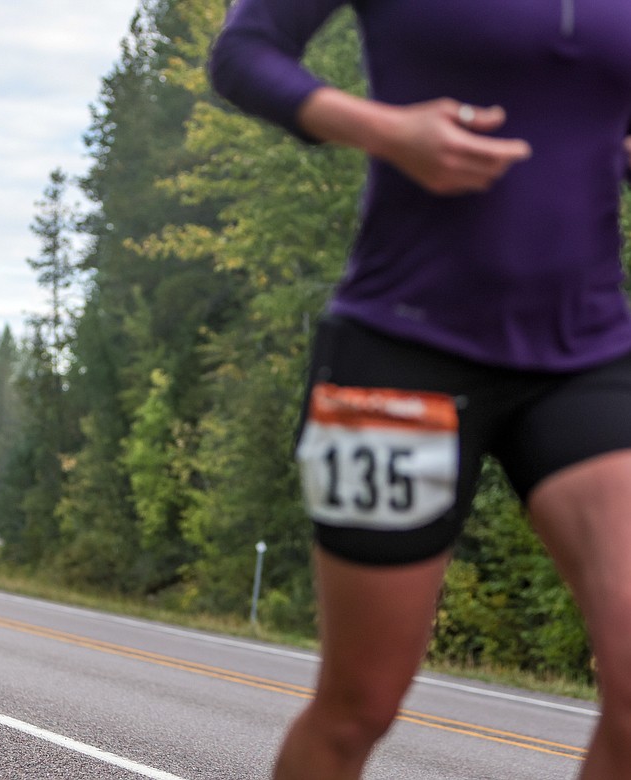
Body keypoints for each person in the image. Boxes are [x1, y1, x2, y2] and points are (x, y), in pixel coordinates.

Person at [209, 2, 631, 778]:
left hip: (586, 352)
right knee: (360, 705)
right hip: (403, 348)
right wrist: (388, 131)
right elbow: (243, 51)